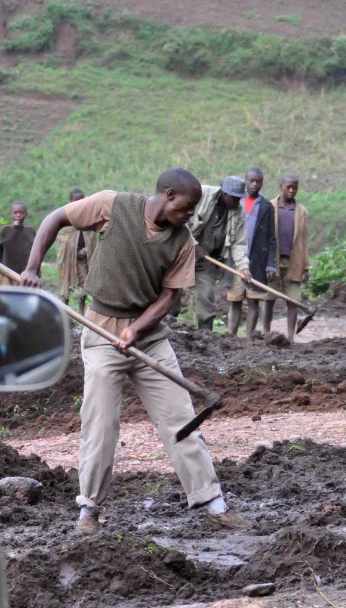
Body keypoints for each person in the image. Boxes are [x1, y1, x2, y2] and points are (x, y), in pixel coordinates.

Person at [18, 168, 249, 534]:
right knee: (100, 424)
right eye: (187, 208)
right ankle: (89, 511)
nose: (189, 216)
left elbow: (168, 297)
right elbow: (56, 218)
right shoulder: (112, 205)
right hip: (101, 332)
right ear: (169, 194)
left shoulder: (182, 241)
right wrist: (32, 268)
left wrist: (136, 329)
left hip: (151, 338)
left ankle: (212, 502)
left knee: (180, 418)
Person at [186, 176, 249, 331]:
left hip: (208, 258)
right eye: (234, 198)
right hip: (182, 253)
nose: (237, 202)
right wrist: (193, 245)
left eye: (239, 198)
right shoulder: (200, 194)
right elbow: (180, 221)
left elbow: (238, 244)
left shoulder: (238, 212)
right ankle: (169, 325)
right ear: (224, 193)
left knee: (206, 296)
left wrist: (243, 268)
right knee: (171, 291)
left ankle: (205, 334)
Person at [227, 167, 275, 337]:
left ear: (262, 182)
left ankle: (250, 339)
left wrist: (270, 264)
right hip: (235, 260)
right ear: (245, 181)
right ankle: (230, 337)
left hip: (257, 261)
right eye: (251, 181)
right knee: (235, 300)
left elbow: (271, 238)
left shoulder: (266, 206)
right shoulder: (235, 202)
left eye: (258, 181)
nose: (255, 184)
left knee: (254, 301)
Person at [263, 174, 310, 342]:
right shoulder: (269, 206)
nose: (291, 190)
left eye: (295, 187)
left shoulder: (302, 211)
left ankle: (290, 337)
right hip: (272, 261)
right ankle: (266, 333)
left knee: (293, 300)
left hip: (293, 260)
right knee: (269, 298)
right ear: (281, 186)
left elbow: (304, 241)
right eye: (288, 187)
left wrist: (306, 266)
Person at [56, 187, 96, 314]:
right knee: (65, 286)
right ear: (70, 201)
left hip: (83, 259)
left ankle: (81, 314)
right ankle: (64, 313)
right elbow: (60, 235)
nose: (79, 202)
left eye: (81, 199)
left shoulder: (89, 217)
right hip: (67, 259)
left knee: (83, 286)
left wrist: (86, 249)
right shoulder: (64, 216)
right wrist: (71, 248)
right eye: (76, 200)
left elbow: (93, 237)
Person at [0, 200, 36, 285]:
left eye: (21, 212)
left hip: (25, 274)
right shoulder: (5, 230)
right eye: (15, 212)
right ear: (11, 214)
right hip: (6, 272)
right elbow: (0, 252)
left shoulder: (30, 232)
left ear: (26, 214)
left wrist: (36, 273)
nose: (18, 215)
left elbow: (36, 254)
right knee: (7, 295)